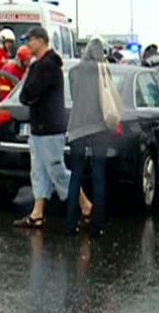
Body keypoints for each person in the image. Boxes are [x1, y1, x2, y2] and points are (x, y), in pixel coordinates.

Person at [13, 27, 92, 229]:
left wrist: (29, 85)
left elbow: (28, 94)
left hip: (49, 128)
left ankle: (85, 205)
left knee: (57, 171)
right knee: (39, 171)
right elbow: (26, 94)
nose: (27, 44)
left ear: (41, 40)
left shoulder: (46, 66)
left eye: (30, 40)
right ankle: (37, 213)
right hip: (40, 127)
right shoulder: (40, 65)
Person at [66, 36, 116, 237]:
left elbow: (75, 96)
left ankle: (70, 224)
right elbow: (108, 96)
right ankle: (97, 225)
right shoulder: (103, 71)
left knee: (75, 175)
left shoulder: (73, 72)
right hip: (99, 128)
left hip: (77, 127)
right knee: (98, 174)